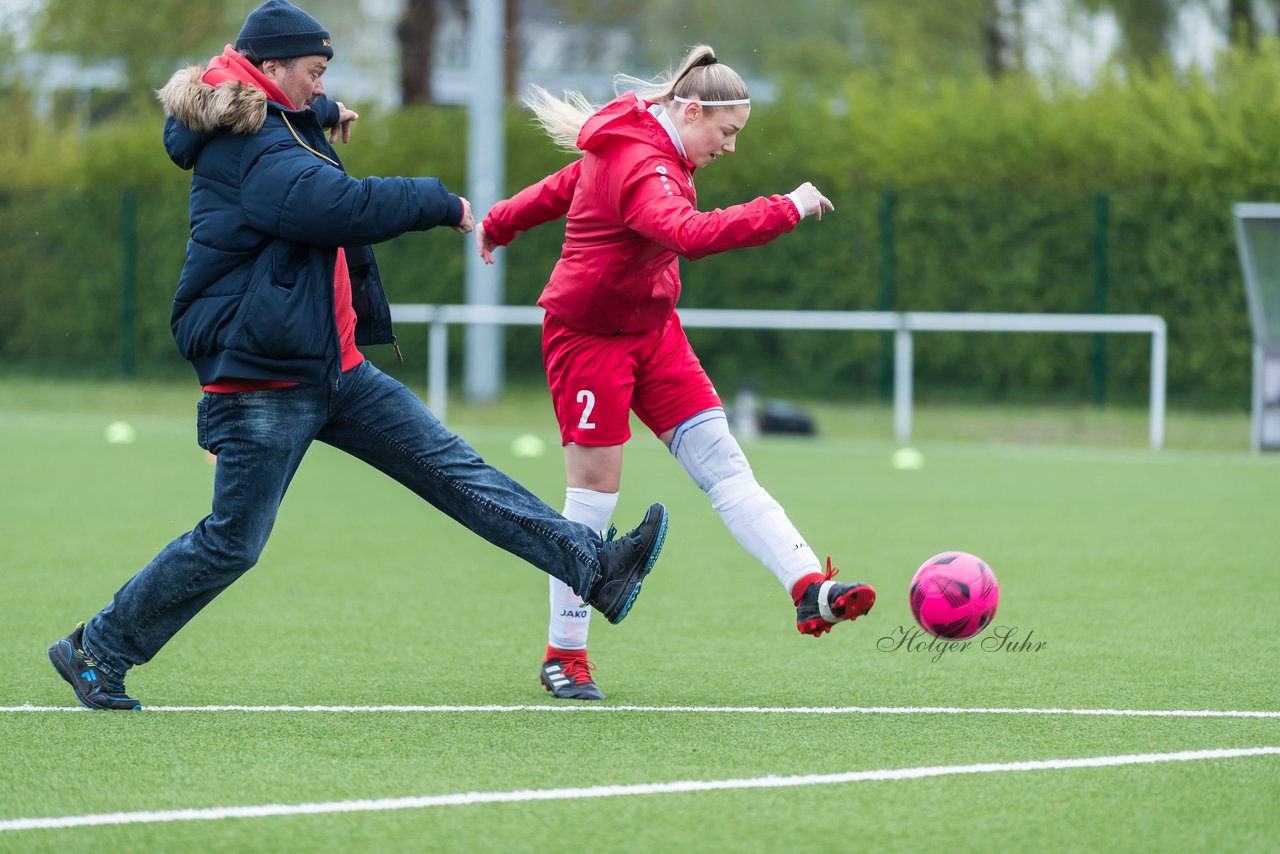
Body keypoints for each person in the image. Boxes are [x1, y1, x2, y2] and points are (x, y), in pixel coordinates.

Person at [46, 0, 668, 712]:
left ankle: (597, 568)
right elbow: (334, 205)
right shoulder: (252, 149)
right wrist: (439, 200)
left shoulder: (269, 118)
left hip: (331, 366)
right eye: (312, 73)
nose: (318, 86)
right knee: (232, 543)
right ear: (272, 68)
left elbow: (288, 127)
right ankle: (97, 647)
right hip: (263, 379)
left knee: (456, 473)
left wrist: (320, 108)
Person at [476, 46, 876, 701]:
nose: (731, 147)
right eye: (727, 132)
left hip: (654, 333)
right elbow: (687, 234)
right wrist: (787, 206)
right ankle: (564, 655)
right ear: (690, 112)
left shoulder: (640, 142)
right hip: (588, 339)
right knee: (595, 495)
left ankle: (811, 588)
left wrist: (502, 222)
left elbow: (563, 187)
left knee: (724, 464)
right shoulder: (641, 162)